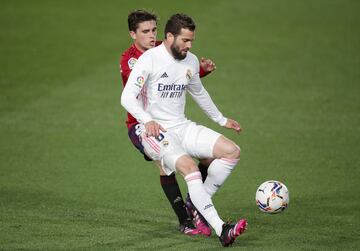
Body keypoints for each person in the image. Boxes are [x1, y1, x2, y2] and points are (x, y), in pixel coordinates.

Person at [121, 13, 247, 247]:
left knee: (232, 151)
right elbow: (127, 97)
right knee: (190, 168)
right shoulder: (147, 60)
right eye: (186, 41)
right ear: (171, 37)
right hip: (151, 131)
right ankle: (222, 228)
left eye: (191, 41)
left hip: (182, 125)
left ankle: (197, 201)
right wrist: (147, 120)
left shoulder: (190, 60)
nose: (189, 46)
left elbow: (199, 92)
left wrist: (221, 120)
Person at [119, 10, 216, 236]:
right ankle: (185, 220)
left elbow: (179, 73)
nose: (152, 36)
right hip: (143, 124)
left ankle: (194, 204)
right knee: (166, 166)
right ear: (133, 34)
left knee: (208, 158)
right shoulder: (130, 60)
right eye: (145, 32)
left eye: (154, 30)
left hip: (170, 122)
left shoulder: (163, 47)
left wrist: (201, 70)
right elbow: (145, 87)